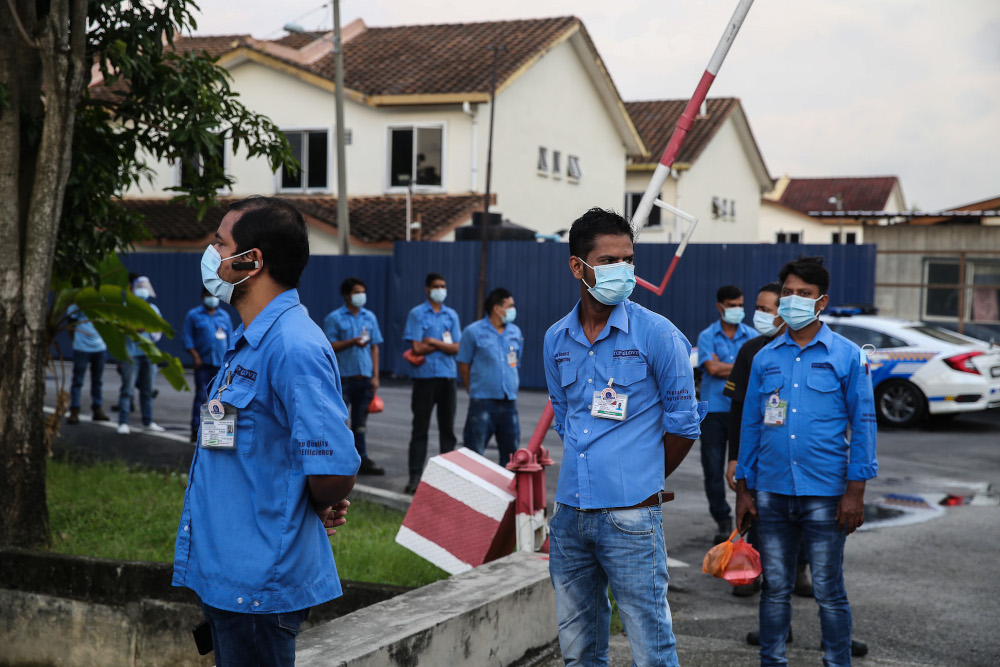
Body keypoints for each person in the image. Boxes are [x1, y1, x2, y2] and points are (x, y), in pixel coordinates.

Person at [173, 196, 359, 666]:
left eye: (219, 243)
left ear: (251, 261)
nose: (210, 253)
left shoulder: (293, 346)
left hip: (258, 585)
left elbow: (334, 469)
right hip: (230, 577)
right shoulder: (250, 343)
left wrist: (315, 502)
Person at [542, 207, 706, 667]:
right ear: (578, 267)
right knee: (579, 653)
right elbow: (566, 419)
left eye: (628, 260)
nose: (624, 271)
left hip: (632, 519)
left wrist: (644, 479)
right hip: (570, 517)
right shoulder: (556, 340)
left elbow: (683, 424)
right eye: (610, 261)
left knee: (652, 650)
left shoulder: (658, 335)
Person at [735, 256, 878, 667]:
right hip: (772, 492)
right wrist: (744, 491)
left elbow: (864, 425)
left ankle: (837, 661)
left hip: (827, 493)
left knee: (829, 590)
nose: (793, 300)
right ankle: (772, 660)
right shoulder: (764, 358)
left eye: (804, 294)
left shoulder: (847, 356)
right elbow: (750, 426)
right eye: (788, 293)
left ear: (822, 302)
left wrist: (856, 491)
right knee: (775, 587)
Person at [696, 285, 758, 543]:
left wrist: (725, 367)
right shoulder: (707, 336)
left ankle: (749, 515)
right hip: (714, 412)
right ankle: (722, 519)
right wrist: (742, 366)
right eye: (732, 305)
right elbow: (710, 368)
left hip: (743, 412)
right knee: (713, 469)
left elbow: (723, 368)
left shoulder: (753, 335)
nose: (737, 310)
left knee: (746, 467)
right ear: (719, 307)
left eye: (740, 305)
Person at [403, 272, 461, 494]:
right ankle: (414, 477)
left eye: (443, 286)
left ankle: (447, 480)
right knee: (420, 429)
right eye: (436, 286)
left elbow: (457, 347)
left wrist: (432, 341)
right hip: (424, 379)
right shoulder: (417, 314)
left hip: (447, 377)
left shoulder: (451, 315)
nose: (440, 290)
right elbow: (416, 348)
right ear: (427, 289)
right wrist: (441, 346)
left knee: (447, 430)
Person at [324, 276, 386, 475]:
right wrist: (352, 342)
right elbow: (329, 346)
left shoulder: (370, 317)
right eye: (356, 292)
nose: (360, 296)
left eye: (362, 292)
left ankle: (363, 459)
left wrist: (375, 376)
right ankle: (338, 460)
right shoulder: (334, 318)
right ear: (346, 295)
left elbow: (374, 347)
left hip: (364, 376)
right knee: (340, 421)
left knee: (360, 423)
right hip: (343, 378)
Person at [456, 287, 523, 466]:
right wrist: (472, 388)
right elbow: (463, 363)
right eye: (510, 306)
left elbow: (516, 361)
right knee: (474, 452)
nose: (512, 310)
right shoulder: (473, 332)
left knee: (511, 456)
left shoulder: (515, 332)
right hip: (482, 402)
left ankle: (508, 492)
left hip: (508, 401)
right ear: (496, 308)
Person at [182, 287, 233, 443]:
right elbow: (187, 339)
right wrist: (195, 357)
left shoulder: (224, 316)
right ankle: (196, 428)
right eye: (209, 295)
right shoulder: (194, 315)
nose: (212, 298)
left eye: (214, 296)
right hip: (203, 364)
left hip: (220, 365)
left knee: (220, 398)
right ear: (202, 296)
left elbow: (231, 340)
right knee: (201, 396)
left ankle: (218, 432)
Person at [117, 276, 165, 435]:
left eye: (144, 286)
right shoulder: (126, 307)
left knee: (148, 389)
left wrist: (147, 329)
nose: (142, 290)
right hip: (131, 354)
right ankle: (123, 422)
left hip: (149, 354)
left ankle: (148, 421)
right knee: (127, 389)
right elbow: (121, 326)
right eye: (139, 286)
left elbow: (158, 331)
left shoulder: (153, 309)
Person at [66, 304, 110, 424]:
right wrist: (76, 342)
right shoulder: (77, 305)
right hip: (81, 348)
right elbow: (70, 326)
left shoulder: (102, 302)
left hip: (99, 348)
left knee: (97, 381)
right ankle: (74, 410)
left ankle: (97, 409)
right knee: (78, 381)